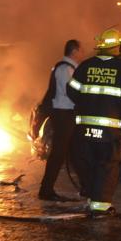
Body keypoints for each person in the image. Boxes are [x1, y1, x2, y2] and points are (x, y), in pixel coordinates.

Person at [67, 28, 121, 217]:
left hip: (84, 129)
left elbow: (72, 92)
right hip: (110, 131)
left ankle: (91, 197)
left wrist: (88, 104)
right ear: (117, 46)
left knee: (88, 163)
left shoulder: (85, 66)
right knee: (107, 165)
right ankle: (100, 206)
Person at [38, 39, 84, 201]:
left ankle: (86, 187)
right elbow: (69, 92)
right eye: (81, 51)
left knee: (75, 151)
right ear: (74, 51)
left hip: (66, 114)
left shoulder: (68, 68)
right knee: (58, 154)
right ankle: (46, 190)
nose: (82, 54)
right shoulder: (66, 69)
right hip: (64, 114)